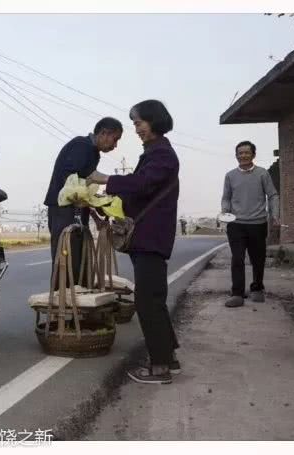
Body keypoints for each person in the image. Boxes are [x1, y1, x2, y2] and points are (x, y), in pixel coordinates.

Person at [102, 100, 180, 385]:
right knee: (153, 300)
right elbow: (140, 190)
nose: (136, 129)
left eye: (138, 123)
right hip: (150, 237)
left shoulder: (162, 154)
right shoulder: (155, 152)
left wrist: (105, 179)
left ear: (154, 119)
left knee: (148, 302)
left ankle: (160, 367)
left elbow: (142, 184)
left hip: (151, 238)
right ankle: (168, 357)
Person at [43, 118, 123, 285]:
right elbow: (71, 181)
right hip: (63, 210)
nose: (115, 145)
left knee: (81, 260)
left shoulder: (93, 153)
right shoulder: (82, 145)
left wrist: (95, 216)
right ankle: (62, 305)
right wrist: (115, 180)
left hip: (77, 210)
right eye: (115, 139)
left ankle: (79, 303)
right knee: (66, 260)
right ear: (104, 133)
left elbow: (86, 184)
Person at [221, 140, 280, 308]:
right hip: (236, 224)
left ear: (253, 155)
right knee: (237, 259)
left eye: (247, 152)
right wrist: (225, 212)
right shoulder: (230, 175)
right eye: (240, 153)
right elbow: (226, 197)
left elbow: (273, 195)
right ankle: (237, 294)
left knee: (258, 258)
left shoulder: (262, 174)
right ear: (236, 156)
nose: (243, 156)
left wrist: (274, 215)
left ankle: (257, 289)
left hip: (258, 223)